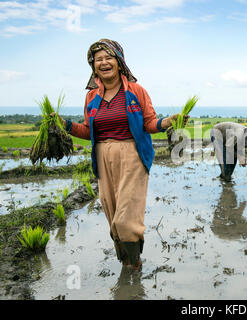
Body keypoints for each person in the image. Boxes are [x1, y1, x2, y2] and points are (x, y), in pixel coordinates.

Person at [58, 39, 187, 271]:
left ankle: (134, 263)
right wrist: (65, 125)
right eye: (98, 59)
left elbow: (149, 123)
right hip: (102, 157)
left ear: (119, 62)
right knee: (112, 215)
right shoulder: (91, 97)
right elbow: (89, 131)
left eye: (109, 58)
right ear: (93, 66)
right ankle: (127, 264)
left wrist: (168, 122)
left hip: (132, 155)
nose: (104, 62)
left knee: (125, 219)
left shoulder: (136, 91)